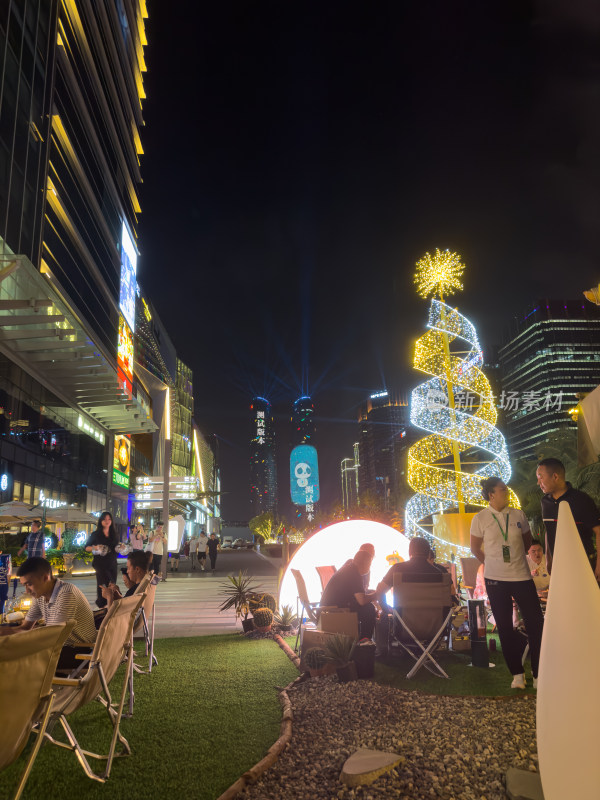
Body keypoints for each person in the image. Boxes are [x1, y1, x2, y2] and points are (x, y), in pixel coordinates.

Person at [470, 477, 544, 690]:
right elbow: (475, 548)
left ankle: (538, 674)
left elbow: (527, 541)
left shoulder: (518, 514)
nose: (507, 491)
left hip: (521, 576)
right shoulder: (480, 518)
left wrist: (517, 558)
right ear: (491, 494)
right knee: (504, 627)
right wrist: (491, 564)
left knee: (535, 624)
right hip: (495, 580)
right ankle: (517, 675)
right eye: (503, 489)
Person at [0, 557, 97, 671]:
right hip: (56, 648)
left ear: (46, 577)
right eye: (24, 585)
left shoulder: (66, 593)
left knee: (11, 657)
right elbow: (25, 628)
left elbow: (52, 635)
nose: (27, 591)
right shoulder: (40, 595)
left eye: (29, 584)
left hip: (78, 651)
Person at [536, 457, 600, 581]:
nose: (538, 483)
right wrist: (549, 560)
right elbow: (548, 530)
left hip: (584, 563)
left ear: (555, 476)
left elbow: (598, 531)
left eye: (540, 477)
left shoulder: (581, 499)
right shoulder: (545, 502)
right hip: (560, 565)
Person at [320, 549, 378, 639]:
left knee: (366, 608)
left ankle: (361, 640)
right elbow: (362, 600)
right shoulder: (354, 573)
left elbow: (358, 594)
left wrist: (371, 594)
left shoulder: (349, 569)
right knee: (369, 609)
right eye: (369, 565)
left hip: (329, 606)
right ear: (365, 563)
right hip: (334, 609)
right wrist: (377, 594)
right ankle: (365, 643)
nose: (369, 568)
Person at [97, 549, 152, 620]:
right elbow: (128, 604)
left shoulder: (136, 590)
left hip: (119, 626)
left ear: (137, 569)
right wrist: (118, 596)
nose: (127, 571)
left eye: (128, 568)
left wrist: (109, 596)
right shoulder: (143, 586)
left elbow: (111, 620)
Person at [85, 511, 119, 609]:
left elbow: (116, 549)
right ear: (101, 521)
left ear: (111, 521)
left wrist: (120, 547)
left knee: (112, 584)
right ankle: (102, 606)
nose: (107, 521)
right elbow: (86, 547)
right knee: (102, 585)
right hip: (100, 564)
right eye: (104, 519)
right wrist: (95, 547)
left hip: (112, 563)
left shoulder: (114, 534)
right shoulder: (96, 534)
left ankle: (111, 605)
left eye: (109, 519)